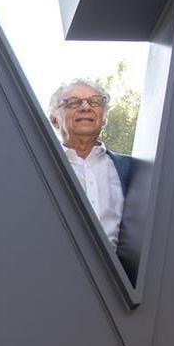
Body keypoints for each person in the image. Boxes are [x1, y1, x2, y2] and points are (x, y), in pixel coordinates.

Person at [48, 79, 130, 248]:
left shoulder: (132, 170)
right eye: (73, 103)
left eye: (95, 102)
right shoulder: (41, 169)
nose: (85, 107)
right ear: (54, 120)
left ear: (104, 117)